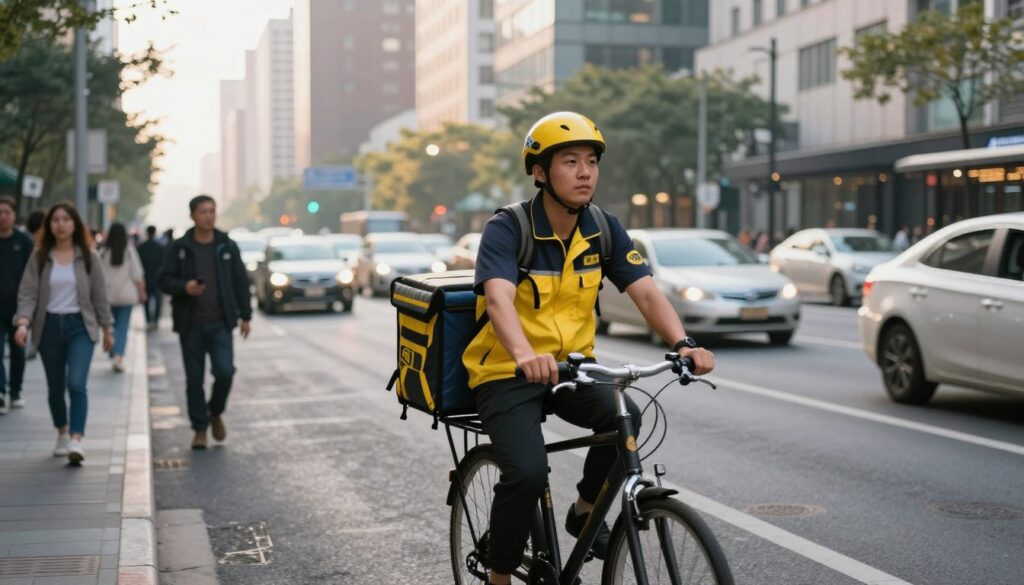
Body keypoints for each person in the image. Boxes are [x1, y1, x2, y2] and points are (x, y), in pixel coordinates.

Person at [462, 112, 714, 585]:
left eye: (592, 162)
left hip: (573, 369)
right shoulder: (508, 229)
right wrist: (522, 355)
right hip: (506, 370)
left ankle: (582, 512)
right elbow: (497, 299)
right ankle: (498, 578)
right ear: (540, 172)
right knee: (529, 473)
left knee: (627, 418)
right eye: (570, 161)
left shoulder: (603, 227)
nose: (584, 172)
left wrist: (683, 343)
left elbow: (643, 291)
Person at [13, 202, 113, 464]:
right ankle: (62, 430)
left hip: (80, 326)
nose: (60, 224)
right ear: (49, 226)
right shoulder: (39, 257)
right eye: (55, 219)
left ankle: (77, 439)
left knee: (76, 384)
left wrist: (107, 329)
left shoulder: (89, 257)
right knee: (55, 388)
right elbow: (27, 293)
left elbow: (100, 296)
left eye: (66, 219)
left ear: (75, 224)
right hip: (48, 328)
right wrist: (23, 322)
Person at [159, 195, 251, 450]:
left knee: (225, 371)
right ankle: (200, 429)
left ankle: (215, 411)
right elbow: (163, 280)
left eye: (212, 211)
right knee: (194, 380)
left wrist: (246, 315)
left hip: (221, 322)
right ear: (192, 216)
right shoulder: (180, 247)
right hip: (191, 325)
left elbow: (240, 281)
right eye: (203, 212)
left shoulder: (226, 246)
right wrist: (184, 287)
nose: (209, 216)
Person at [0, 196, 34, 414]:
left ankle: (16, 391)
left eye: (6, 212)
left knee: (17, 350)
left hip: (18, 307)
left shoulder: (23, 242)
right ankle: (0, 392)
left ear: (14, 215)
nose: (2, 217)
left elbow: (33, 274)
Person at [98, 222, 146, 372]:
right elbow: (137, 275)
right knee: (123, 327)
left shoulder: (103, 252)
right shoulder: (129, 251)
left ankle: (113, 348)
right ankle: (118, 357)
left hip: (107, 296)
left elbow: (96, 276)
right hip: (126, 296)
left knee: (109, 326)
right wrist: (142, 292)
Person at [136, 225, 165, 331]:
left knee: (146, 301)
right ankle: (156, 320)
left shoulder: (141, 247)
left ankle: (148, 320)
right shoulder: (160, 247)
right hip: (157, 278)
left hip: (146, 278)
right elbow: (163, 263)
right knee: (158, 301)